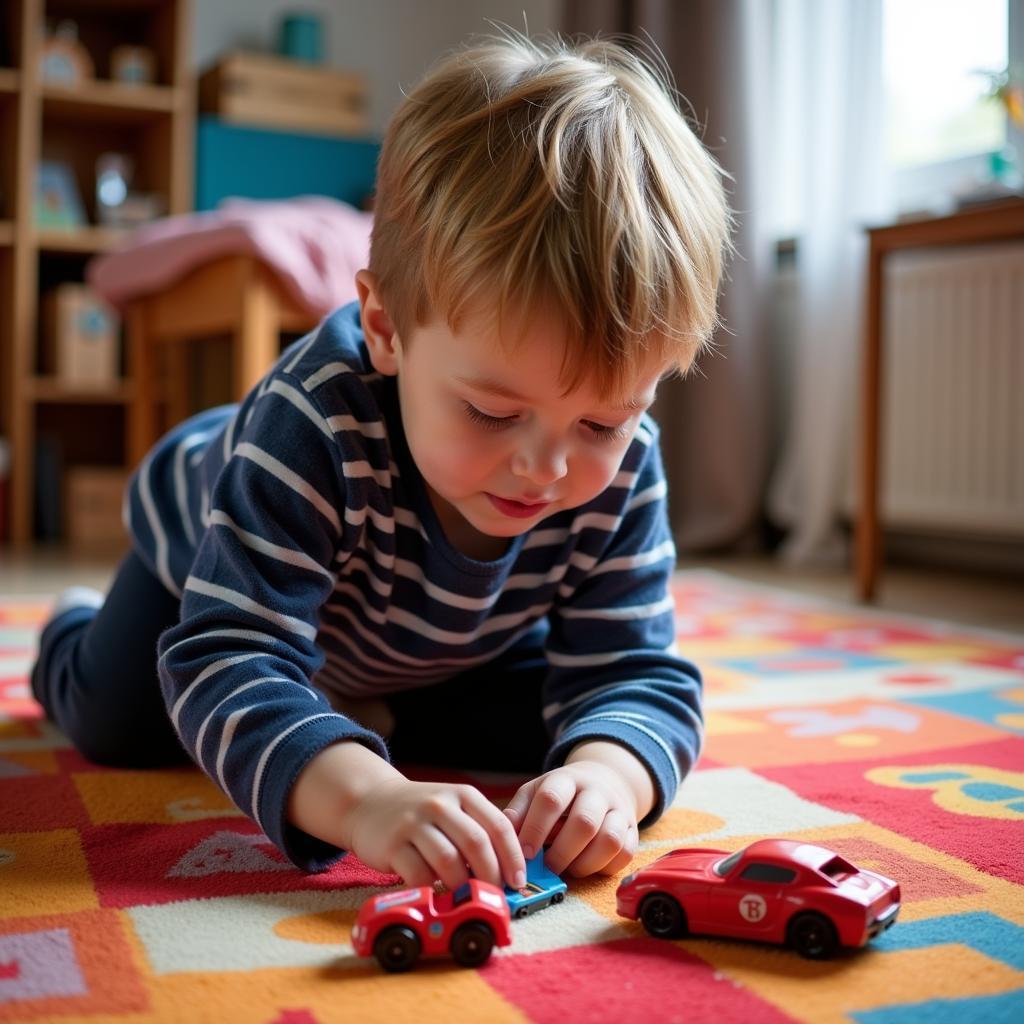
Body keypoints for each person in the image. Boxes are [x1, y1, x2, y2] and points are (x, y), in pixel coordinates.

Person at [31, 30, 730, 894]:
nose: (546, 467)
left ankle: (354, 705)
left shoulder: (623, 465)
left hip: (420, 634)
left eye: (604, 421)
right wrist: (367, 801)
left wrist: (611, 777)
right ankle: (71, 630)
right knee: (129, 726)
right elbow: (226, 657)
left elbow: (633, 669)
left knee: (557, 737)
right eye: (493, 411)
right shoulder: (312, 423)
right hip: (208, 561)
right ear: (386, 328)